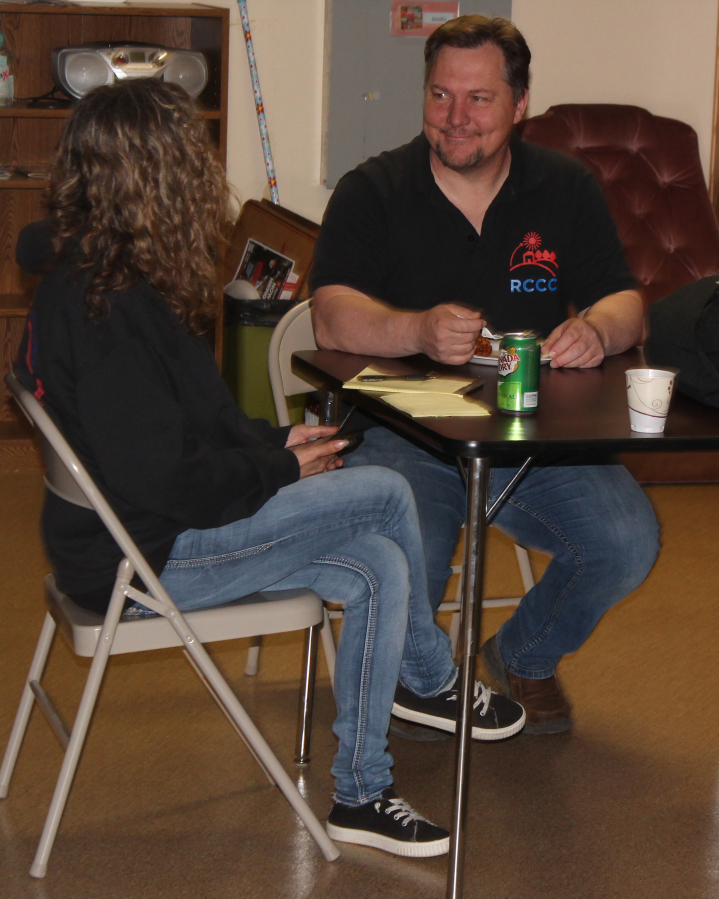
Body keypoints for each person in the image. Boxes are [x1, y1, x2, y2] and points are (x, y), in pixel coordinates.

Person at [14, 78, 524, 858]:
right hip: (141, 559)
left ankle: (359, 791)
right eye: (194, 163)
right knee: (385, 489)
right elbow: (165, 479)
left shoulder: (104, 273)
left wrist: (269, 447)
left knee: (379, 562)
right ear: (159, 180)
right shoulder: (104, 305)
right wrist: (276, 474)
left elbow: (194, 425)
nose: (208, 181)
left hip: (141, 531)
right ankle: (433, 679)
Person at [310, 15, 660, 735]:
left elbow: (626, 301)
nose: (455, 119)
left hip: (531, 431)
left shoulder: (563, 186)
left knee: (627, 540)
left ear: (519, 102)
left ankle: (522, 655)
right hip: (403, 433)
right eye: (440, 96)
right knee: (409, 560)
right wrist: (412, 329)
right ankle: (415, 680)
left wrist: (596, 330)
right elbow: (329, 316)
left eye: (478, 99)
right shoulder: (372, 188)